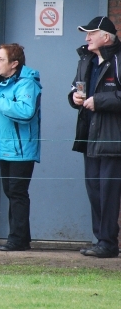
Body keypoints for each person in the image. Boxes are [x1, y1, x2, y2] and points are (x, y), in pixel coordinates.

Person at [0, 44, 42, 252]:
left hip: (21, 150)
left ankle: (17, 239)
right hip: (3, 147)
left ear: (14, 64)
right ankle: (22, 238)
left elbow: (25, 112)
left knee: (17, 192)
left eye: (0, 59)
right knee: (10, 192)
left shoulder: (27, 84)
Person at [70, 16, 121, 259]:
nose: (87, 38)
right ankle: (102, 241)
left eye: (91, 33)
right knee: (94, 191)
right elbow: (74, 89)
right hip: (89, 137)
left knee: (108, 193)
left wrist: (98, 101)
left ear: (106, 37)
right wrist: (74, 99)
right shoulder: (86, 60)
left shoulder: (119, 60)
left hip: (113, 140)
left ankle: (108, 243)